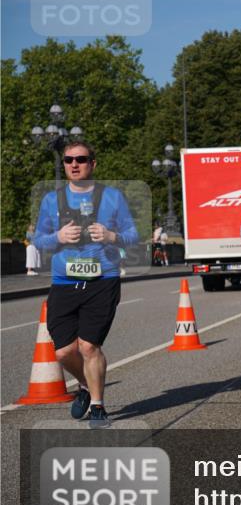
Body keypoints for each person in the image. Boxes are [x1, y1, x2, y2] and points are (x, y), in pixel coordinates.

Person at [31, 140, 139, 428]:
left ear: (93, 163)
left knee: (89, 347)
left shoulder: (113, 197)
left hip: (102, 280)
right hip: (65, 282)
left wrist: (110, 236)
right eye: (68, 160)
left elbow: (133, 235)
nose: (74, 164)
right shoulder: (51, 200)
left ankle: (98, 405)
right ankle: (85, 386)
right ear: (64, 164)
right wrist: (58, 238)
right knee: (64, 352)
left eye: (81, 159)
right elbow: (38, 240)